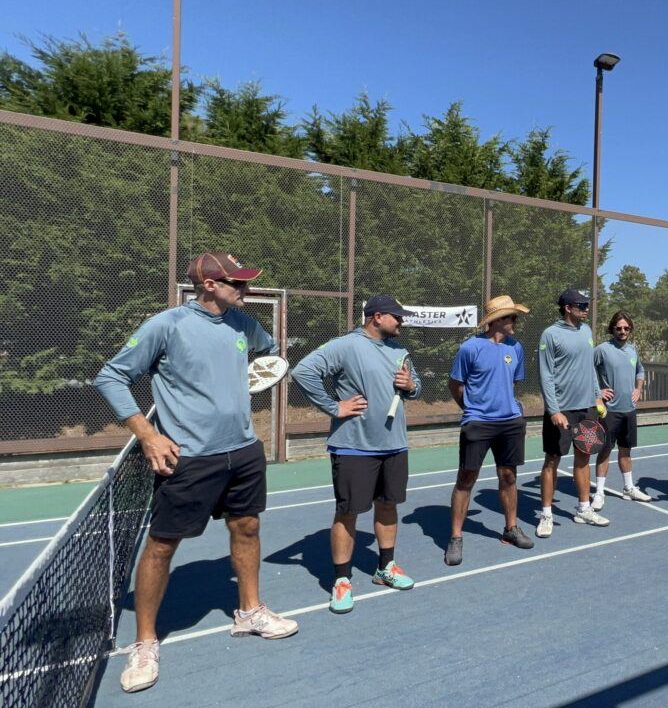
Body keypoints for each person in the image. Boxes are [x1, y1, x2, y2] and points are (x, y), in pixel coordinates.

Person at [94, 252, 298, 694]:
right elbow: (110, 376)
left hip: (243, 451)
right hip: (188, 458)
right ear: (208, 284)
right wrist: (148, 434)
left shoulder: (244, 325)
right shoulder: (166, 325)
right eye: (236, 283)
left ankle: (250, 611)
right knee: (163, 544)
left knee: (247, 526)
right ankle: (145, 641)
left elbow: (269, 354)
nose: (245, 291)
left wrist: (263, 374)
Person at [290, 295, 421, 615]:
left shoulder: (399, 351)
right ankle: (341, 580)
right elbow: (303, 372)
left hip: (394, 445)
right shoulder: (345, 346)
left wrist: (410, 385)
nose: (401, 322)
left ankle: (385, 567)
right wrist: (335, 407)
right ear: (377, 317)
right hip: (354, 447)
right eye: (397, 317)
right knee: (348, 512)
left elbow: (414, 386)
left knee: (388, 505)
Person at [443, 295, 534, 566]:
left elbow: (513, 384)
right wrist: (471, 410)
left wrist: (510, 411)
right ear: (496, 321)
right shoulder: (470, 348)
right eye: (511, 317)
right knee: (466, 479)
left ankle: (511, 528)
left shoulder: (516, 348)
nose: (515, 322)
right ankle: (456, 537)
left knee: (508, 477)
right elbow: (455, 385)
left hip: (510, 423)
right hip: (478, 423)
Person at [535, 288, 609, 538]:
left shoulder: (586, 331)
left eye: (587, 305)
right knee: (552, 461)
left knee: (583, 458)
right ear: (567, 307)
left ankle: (583, 508)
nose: (586, 309)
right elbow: (545, 374)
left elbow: (589, 368)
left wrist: (597, 395)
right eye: (582, 305)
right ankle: (546, 514)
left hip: (587, 407)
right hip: (562, 410)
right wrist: (553, 410)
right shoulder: (550, 335)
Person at [592, 311, 652, 510]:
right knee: (605, 451)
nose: (623, 331)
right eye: (619, 328)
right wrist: (597, 392)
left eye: (626, 328)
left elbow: (640, 370)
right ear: (612, 329)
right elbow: (588, 370)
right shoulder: (602, 349)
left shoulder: (633, 350)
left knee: (626, 451)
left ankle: (628, 488)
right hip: (609, 411)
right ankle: (599, 493)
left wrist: (638, 388)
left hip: (629, 410)